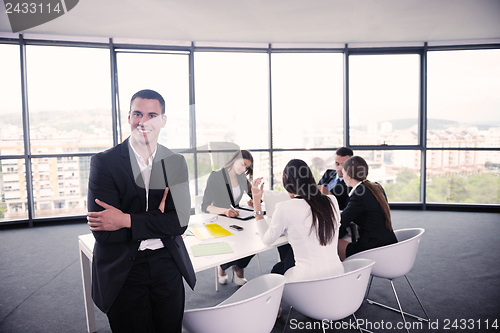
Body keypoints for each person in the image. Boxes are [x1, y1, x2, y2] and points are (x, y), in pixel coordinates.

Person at [86, 89, 196, 333]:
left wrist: (125, 219)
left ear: (163, 121)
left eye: (152, 115)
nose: (143, 122)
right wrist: (156, 220)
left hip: (166, 262)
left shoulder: (175, 162)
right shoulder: (104, 163)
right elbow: (104, 232)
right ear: (128, 117)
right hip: (124, 267)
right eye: (137, 113)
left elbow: (179, 223)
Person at [252, 159, 344, 283]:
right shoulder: (332, 200)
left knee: (277, 269)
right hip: (338, 276)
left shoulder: (284, 208)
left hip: (306, 283)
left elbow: (267, 240)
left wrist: (256, 203)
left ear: (286, 178)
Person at [201, 149, 255, 286]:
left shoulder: (242, 177)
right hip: (219, 218)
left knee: (251, 239)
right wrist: (225, 211)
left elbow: (253, 195)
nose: (244, 169)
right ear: (234, 159)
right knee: (229, 241)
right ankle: (222, 266)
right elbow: (205, 206)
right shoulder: (216, 176)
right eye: (242, 164)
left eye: (247, 167)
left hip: (236, 218)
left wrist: (253, 201)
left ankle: (239, 269)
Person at [337, 156, 398, 261]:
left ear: (349, 174)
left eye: (343, 172)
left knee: (330, 244)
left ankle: (348, 275)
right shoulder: (375, 187)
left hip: (373, 249)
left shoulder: (359, 195)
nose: (343, 176)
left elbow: (341, 222)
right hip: (389, 244)